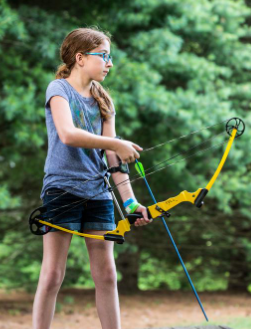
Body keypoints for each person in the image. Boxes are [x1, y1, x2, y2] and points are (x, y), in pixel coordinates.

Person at [34, 27, 152, 329]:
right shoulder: (58, 89)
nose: (110, 63)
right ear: (80, 58)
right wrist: (115, 143)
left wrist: (130, 202)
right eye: (104, 56)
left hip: (98, 194)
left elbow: (114, 161)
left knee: (107, 275)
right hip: (61, 190)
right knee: (52, 275)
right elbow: (68, 134)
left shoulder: (104, 100)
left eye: (110, 57)